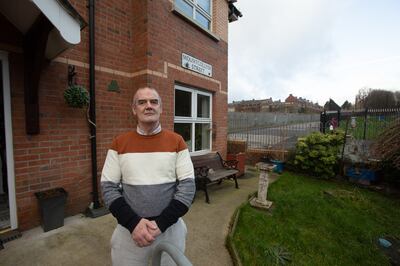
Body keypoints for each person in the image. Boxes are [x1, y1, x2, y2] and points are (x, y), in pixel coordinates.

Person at [101, 87, 196, 265]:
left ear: (161, 108)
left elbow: (188, 187)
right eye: (142, 102)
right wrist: (133, 223)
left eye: (154, 102)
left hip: (170, 229)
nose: (148, 106)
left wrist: (160, 225)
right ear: (134, 109)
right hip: (129, 231)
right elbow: (108, 187)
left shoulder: (177, 142)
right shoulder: (118, 143)